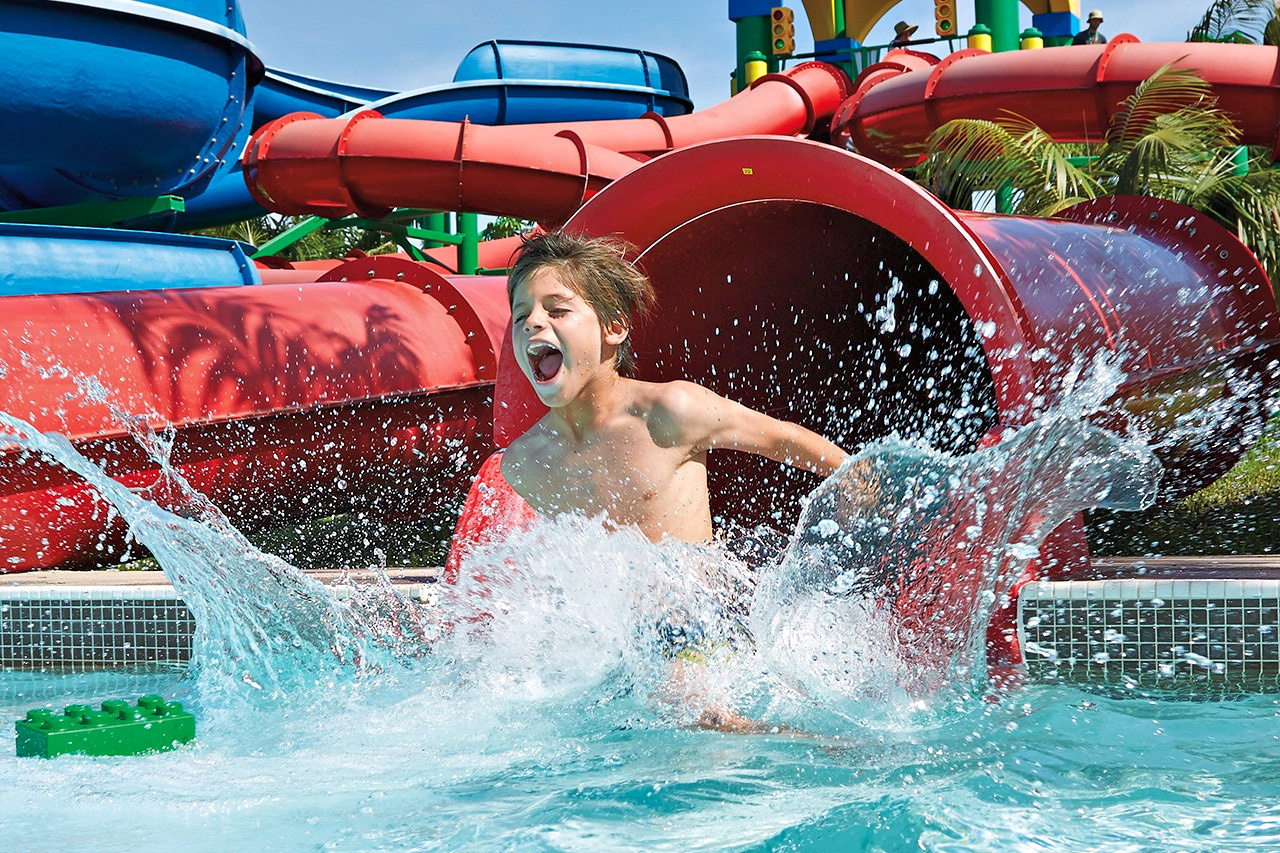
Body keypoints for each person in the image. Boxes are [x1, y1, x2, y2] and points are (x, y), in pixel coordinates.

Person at [445, 231, 852, 731]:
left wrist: (857, 481)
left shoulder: (667, 413)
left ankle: (818, 747)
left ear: (614, 328)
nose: (533, 321)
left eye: (557, 309)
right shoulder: (526, 464)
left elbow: (783, 439)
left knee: (690, 712)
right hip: (612, 645)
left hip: (694, 620)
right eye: (522, 313)